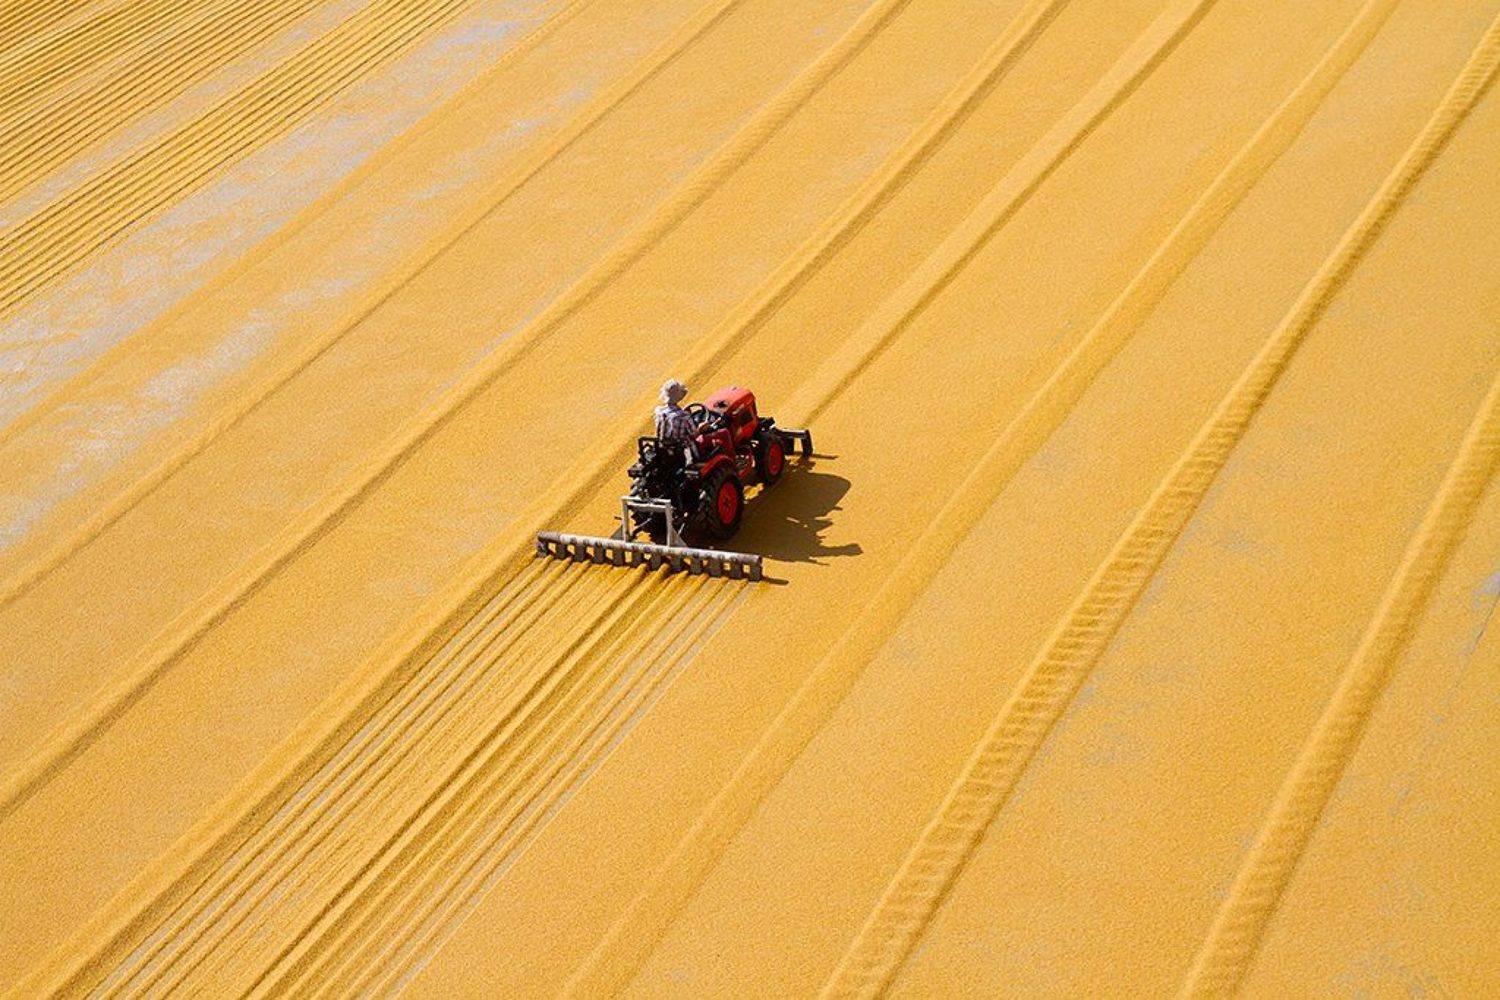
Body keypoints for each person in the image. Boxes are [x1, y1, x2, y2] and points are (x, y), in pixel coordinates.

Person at [654, 379, 698, 446]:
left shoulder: (658, 411)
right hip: (681, 448)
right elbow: (694, 434)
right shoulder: (684, 416)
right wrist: (701, 428)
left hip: (663, 446)